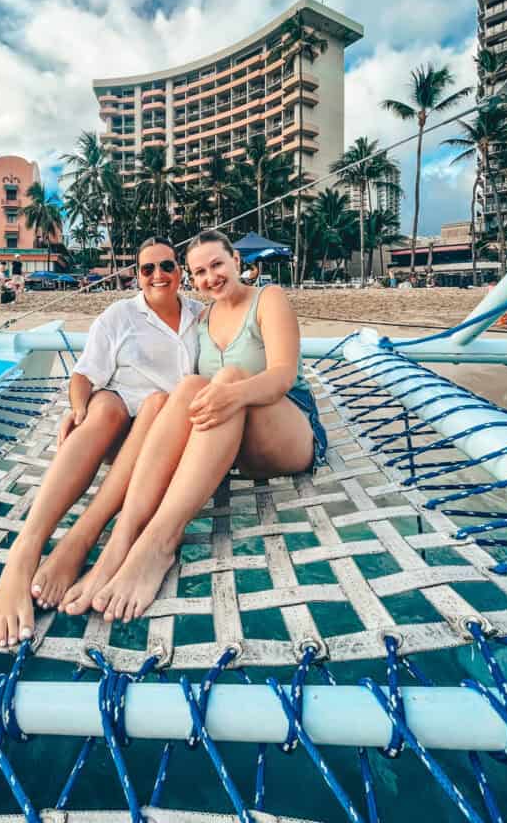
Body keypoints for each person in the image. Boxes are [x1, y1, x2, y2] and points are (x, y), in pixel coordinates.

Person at [61, 229, 327, 625]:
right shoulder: (202, 318)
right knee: (188, 386)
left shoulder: (267, 299)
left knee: (229, 376)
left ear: (237, 261)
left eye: (217, 264)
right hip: (234, 449)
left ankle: (159, 542)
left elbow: (284, 375)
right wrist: (82, 406)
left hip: (290, 430)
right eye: (200, 272)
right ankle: (122, 539)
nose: (211, 277)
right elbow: (152, 373)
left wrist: (232, 392)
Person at [0, 237, 202, 646]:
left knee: (158, 403)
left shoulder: (201, 317)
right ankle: (23, 555)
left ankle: (79, 540)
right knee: (104, 408)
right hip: (115, 419)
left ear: (180, 271)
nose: (158, 275)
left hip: (163, 432)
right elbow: (84, 375)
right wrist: (78, 410)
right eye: (147, 269)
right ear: (137, 276)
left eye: (167, 266)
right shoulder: (120, 316)